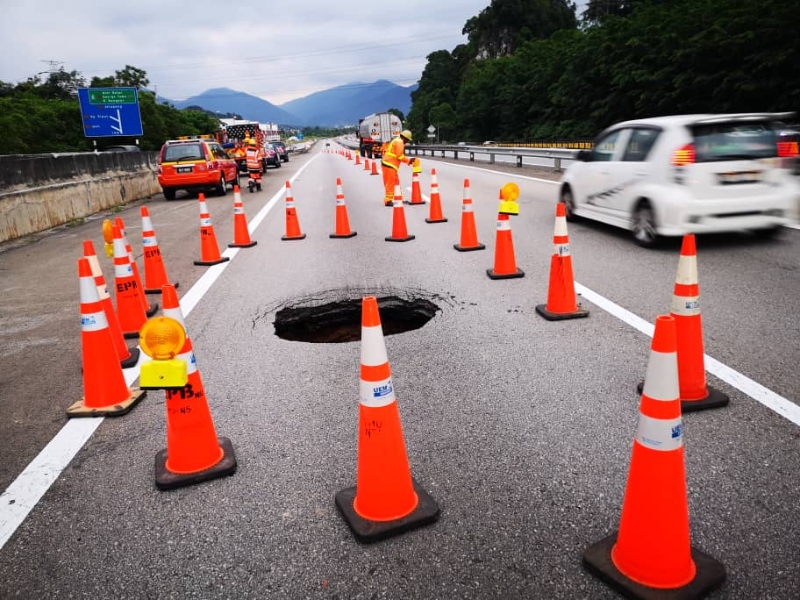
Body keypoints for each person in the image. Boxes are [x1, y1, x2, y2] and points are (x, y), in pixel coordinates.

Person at [380, 129, 416, 207]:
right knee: (390, 183)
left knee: (396, 183)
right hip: (389, 164)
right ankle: (388, 200)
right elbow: (400, 156)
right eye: (407, 140)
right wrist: (409, 161)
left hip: (389, 165)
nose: (407, 142)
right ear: (404, 138)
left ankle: (398, 198)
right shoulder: (400, 142)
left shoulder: (397, 140)